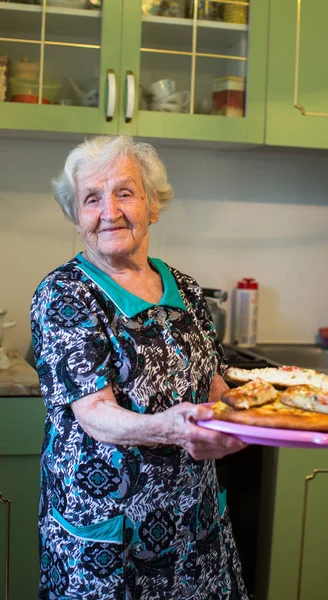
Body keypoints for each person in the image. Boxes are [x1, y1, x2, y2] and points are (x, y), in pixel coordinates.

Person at [30, 135, 249, 600]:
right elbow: (94, 413)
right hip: (107, 534)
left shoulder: (186, 290)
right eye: (91, 199)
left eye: (124, 192)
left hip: (194, 527)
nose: (109, 211)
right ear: (76, 216)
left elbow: (214, 383)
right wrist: (170, 428)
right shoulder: (63, 294)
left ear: (153, 205)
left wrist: (251, 415)